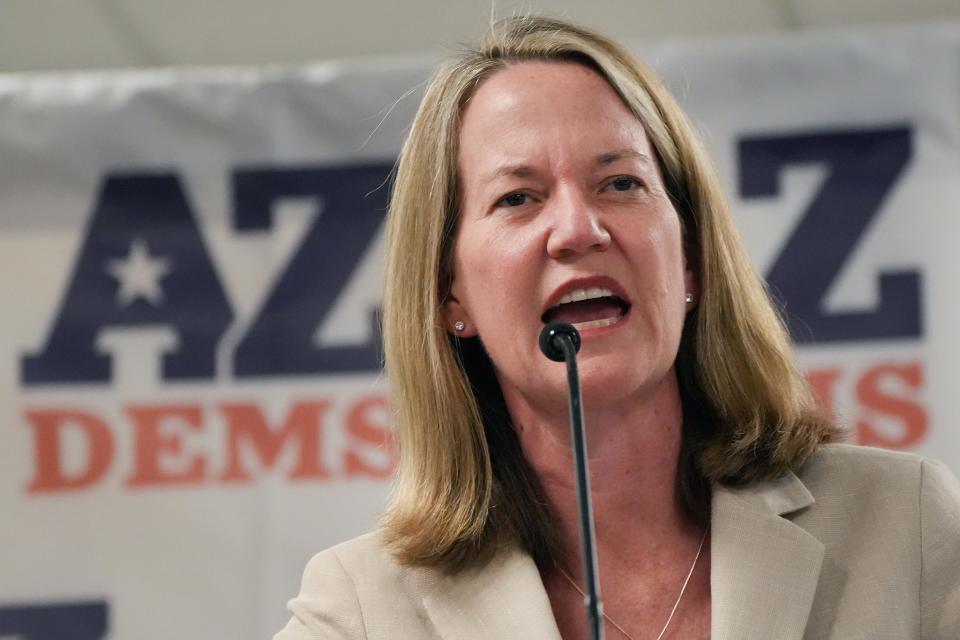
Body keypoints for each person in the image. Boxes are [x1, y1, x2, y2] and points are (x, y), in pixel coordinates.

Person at [274, 15, 960, 640]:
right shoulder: (363, 609)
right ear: (450, 297)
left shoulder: (907, 524)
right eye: (518, 198)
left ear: (690, 258)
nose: (577, 229)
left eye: (620, 183)